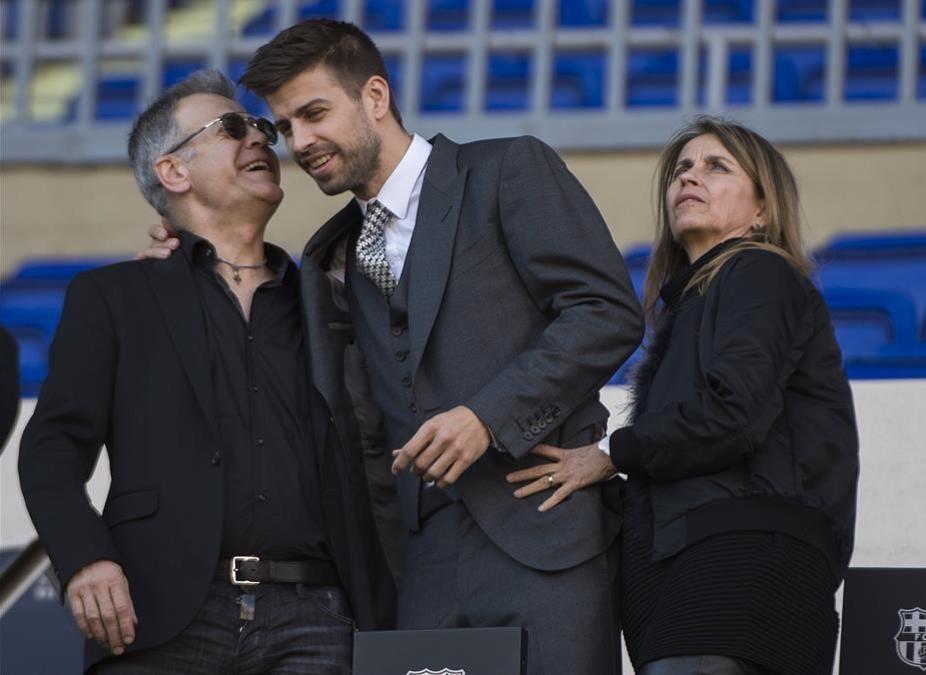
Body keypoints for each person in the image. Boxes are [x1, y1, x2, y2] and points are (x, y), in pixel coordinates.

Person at [145, 19, 643, 675]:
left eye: (315, 113)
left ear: (375, 97)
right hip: (423, 562)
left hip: (543, 534)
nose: (300, 141)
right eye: (287, 125)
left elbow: (606, 311)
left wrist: (486, 416)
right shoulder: (329, 253)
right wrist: (185, 265)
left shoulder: (505, 169)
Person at [19, 70, 393, 673]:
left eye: (261, 129)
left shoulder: (332, 301)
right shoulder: (115, 296)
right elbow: (51, 450)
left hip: (318, 618)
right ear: (174, 172)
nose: (261, 140)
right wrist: (85, 559)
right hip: (157, 613)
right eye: (233, 128)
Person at [509, 117, 860, 675]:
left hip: (740, 567)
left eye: (716, 167)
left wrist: (609, 457)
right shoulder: (695, 303)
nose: (689, 178)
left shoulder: (759, 271)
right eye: (681, 170)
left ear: (763, 211)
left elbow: (732, 413)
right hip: (692, 572)